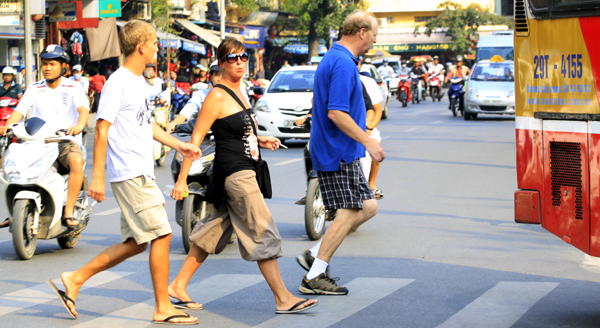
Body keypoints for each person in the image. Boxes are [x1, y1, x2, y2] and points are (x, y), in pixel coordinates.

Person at [47, 21, 201, 324]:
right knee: (163, 234)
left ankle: (75, 279)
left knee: (137, 242)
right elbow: (102, 129)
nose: (158, 47)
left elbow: (147, 125)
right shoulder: (118, 82)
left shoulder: (140, 83)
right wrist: (99, 176)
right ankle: (162, 307)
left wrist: (179, 145)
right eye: (155, 42)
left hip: (139, 170)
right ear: (142, 46)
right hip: (130, 171)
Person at [168, 38, 318, 314]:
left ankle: (178, 285)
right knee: (263, 230)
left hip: (245, 168)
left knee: (213, 231)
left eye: (243, 56)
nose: (239, 62)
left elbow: (236, 131)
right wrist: (182, 181)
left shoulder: (241, 91)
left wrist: (261, 140)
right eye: (232, 58)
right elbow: (195, 140)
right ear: (221, 64)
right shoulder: (217, 95)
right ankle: (283, 298)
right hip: (235, 173)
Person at [296, 10, 384, 295]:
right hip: (338, 151)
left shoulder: (338, 58)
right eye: (374, 34)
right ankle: (315, 275)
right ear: (361, 32)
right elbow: (336, 113)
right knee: (349, 211)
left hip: (342, 150)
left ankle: (314, 253)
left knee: (368, 206)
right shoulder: (343, 64)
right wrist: (368, 141)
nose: (374, 40)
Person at [0, 45, 88, 230]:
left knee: (76, 161)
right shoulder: (35, 88)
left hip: (64, 142)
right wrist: (6, 126)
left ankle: (69, 211)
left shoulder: (73, 87)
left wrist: (79, 125)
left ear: (63, 66)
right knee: (8, 163)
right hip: (37, 143)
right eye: (45, 64)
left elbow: (83, 110)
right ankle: (13, 210)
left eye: (52, 64)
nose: (47, 68)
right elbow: (19, 111)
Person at [166, 61, 230, 132]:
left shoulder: (238, 94)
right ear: (211, 77)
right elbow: (185, 112)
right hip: (204, 138)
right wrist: (173, 124)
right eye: (217, 74)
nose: (220, 78)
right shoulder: (201, 94)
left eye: (223, 74)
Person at [358, 60, 384, 199]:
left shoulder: (366, 83)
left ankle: (370, 184)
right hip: (340, 129)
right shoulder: (331, 81)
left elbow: (375, 110)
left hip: (365, 127)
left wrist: (369, 126)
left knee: (372, 147)